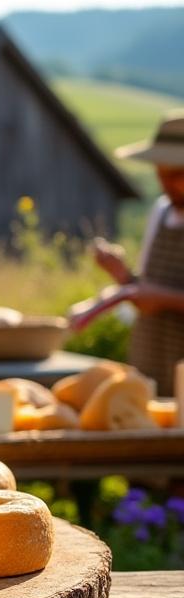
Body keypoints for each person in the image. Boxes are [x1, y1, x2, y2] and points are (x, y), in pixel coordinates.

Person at [69, 111, 184, 393]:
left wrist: (163, 298)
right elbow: (143, 289)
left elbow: (154, 295)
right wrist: (122, 275)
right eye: (161, 174)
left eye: (176, 175)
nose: (167, 184)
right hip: (150, 364)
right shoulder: (161, 212)